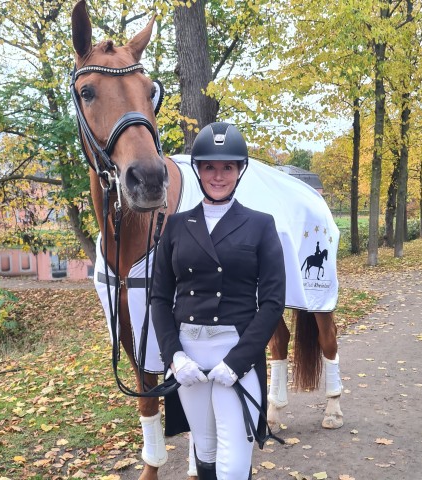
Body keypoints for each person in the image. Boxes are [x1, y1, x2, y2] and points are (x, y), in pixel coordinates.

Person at [151, 122, 286, 479]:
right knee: (205, 451)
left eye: (227, 166)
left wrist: (238, 360)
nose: (218, 175)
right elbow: (160, 297)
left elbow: (273, 301)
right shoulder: (176, 226)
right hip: (189, 357)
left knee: (234, 463)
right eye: (210, 166)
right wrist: (174, 357)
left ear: (239, 170)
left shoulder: (260, 224)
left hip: (235, 353)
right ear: (197, 169)